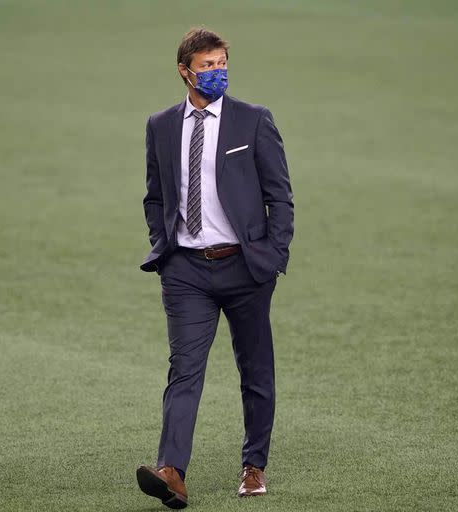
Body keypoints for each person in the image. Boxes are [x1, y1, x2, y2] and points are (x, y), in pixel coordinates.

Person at [136, 27, 293, 509]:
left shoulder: (253, 121)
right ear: (184, 71)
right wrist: (163, 247)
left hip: (245, 268)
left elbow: (279, 196)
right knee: (184, 370)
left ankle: (253, 466)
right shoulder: (160, 126)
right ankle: (172, 472)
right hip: (185, 270)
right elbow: (155, 195)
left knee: (255, 370)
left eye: (221, 63)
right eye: (207, 66)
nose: (216, 72)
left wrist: (272, 256)